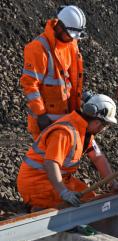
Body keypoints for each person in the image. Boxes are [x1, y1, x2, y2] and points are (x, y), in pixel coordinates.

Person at [17, 92, 118, 210]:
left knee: (90, 197)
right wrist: (64, 192)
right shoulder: (64, 132)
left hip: (57, 179)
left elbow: (98, 158)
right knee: (81, 207)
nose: (103, 129)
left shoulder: (84, 131)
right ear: (97, 123)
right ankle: (38, 207)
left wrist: (113, 183)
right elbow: (51, 163)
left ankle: (48, 206)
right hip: (37, 184)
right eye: (105, 126)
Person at [20, 5, 86, 140]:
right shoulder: (38, 49)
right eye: (69, 35)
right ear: (59, 27)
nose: (71, 39)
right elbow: (30, 84)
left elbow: (70, 80)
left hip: (66, 118)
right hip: (46, 121)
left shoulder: (71, 45)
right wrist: (40, 114)